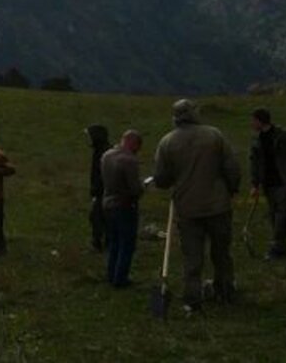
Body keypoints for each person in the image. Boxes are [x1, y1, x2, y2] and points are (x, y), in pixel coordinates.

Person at [153, 99, 241, 313]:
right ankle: (225, 292)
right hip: (218, 205)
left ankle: (192, 300)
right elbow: (231, 167)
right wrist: (232, 189)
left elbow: (162, 179)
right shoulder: (214, 135)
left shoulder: (167, 142)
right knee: (221, 253)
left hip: (188, 208)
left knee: (192, 257)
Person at [249, 108, 286, 260]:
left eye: (254, 120)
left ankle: (275, 247)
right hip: (268, 184)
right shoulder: (257, 140)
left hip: (284, 181)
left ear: (260, 121)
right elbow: (255, 163)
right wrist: (255, 184)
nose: (252, 123)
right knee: (274, 215)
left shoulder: (282, 136)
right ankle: (281, 247)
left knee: (281, 215)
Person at [101, 130, 144, 287]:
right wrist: (142, 187)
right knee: (126, 244)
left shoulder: (107, 155)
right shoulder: (129, 161)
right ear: (133, 143)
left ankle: (111, 274)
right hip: (124, 205)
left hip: (107, 203)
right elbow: (135, 189)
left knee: (113, 242)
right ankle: (120, 278)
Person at [86, 124, 111, 252]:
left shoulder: (102, 153)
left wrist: (96, 191)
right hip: (103, 192)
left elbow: (100, 175)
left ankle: (99, 243)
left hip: (103, 192)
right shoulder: (102, 151)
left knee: (98, 217)